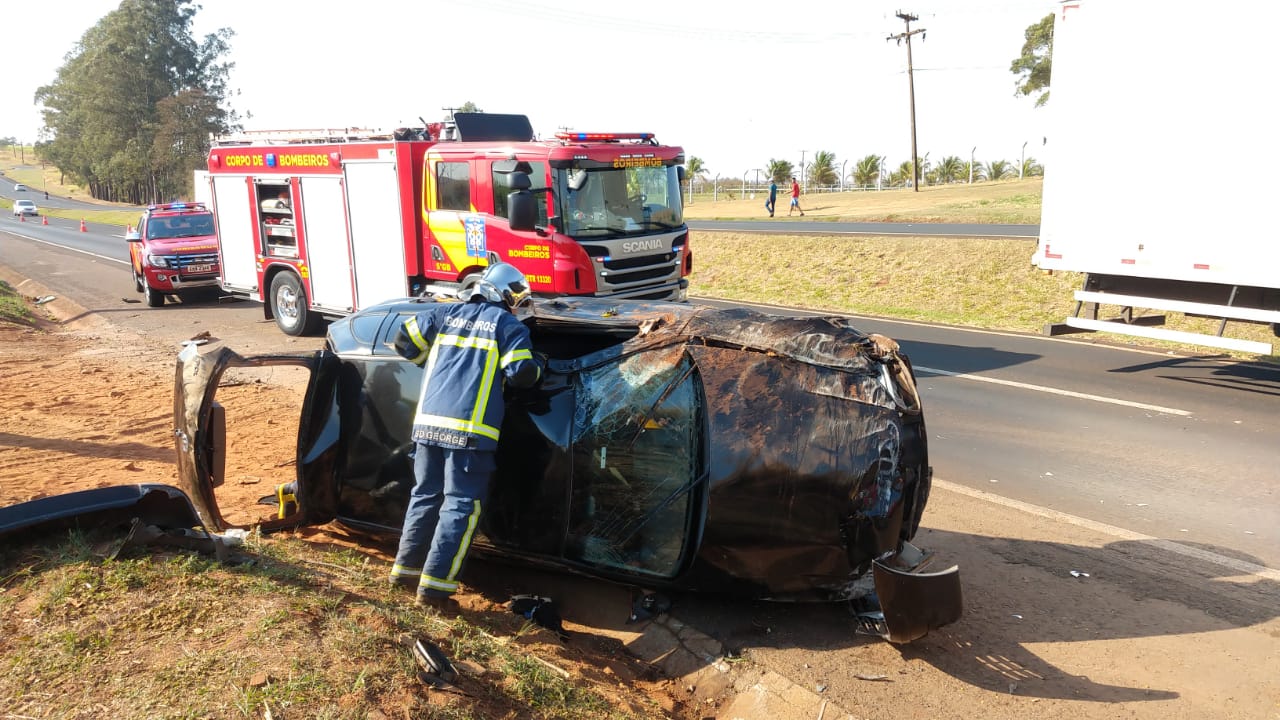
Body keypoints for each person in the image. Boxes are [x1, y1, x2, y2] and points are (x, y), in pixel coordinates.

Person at [388, 263, 544, 610]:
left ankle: (404, 574)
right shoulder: (507, 325)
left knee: (425, 496)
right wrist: (539, 366)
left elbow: (403, 341)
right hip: (469, 433)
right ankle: (434, 592)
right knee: (460, 506)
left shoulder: (443, 314)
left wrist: (433, 363)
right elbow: (522, 374)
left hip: (427, 425)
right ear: (508, 297)